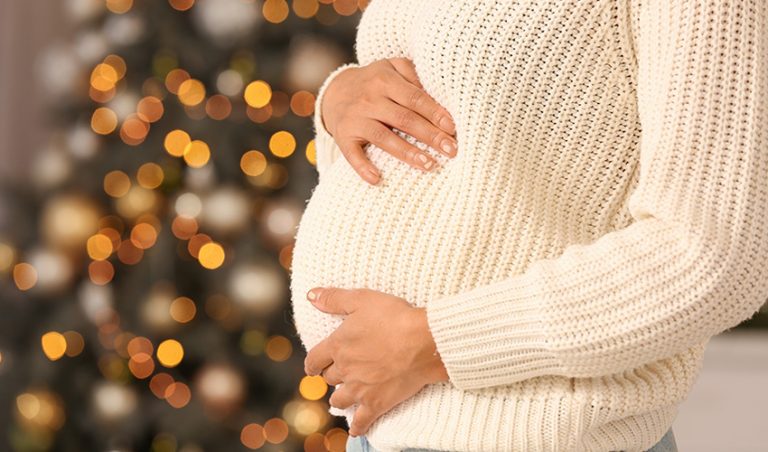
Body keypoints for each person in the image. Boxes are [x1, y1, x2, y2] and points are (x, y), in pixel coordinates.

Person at [289, 0, 768, 451]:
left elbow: (713, 253)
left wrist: (435, 342)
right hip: (386, 429)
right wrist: (339, 102)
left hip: (530, 433)